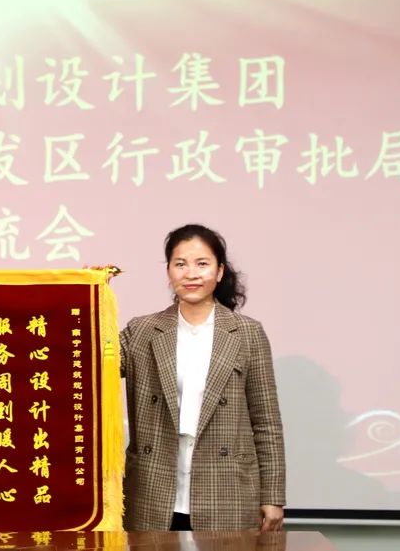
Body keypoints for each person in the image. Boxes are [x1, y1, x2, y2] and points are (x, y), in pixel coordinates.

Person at [118, 224, 285, 531]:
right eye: (180, 264)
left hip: (226, 487)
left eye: (202, 264)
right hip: (154, 487)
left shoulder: (247, 333)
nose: (191, 274)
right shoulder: (141, 330)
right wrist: (85, 294)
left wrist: (273, 495)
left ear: (219, 272)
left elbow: (266, 421)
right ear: (168, 271)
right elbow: (87, 363)